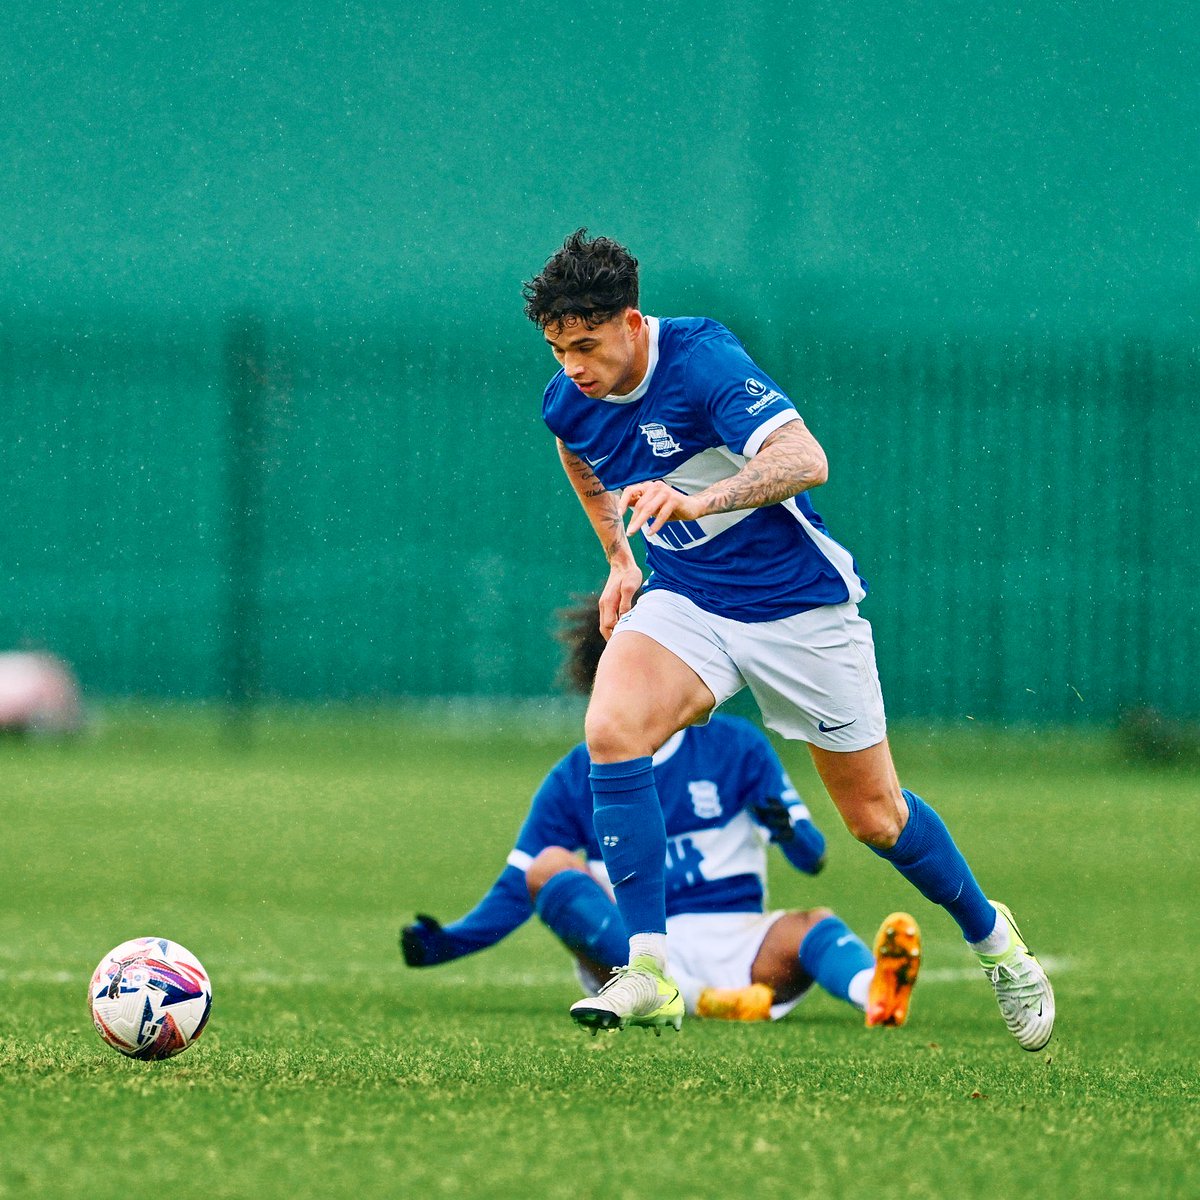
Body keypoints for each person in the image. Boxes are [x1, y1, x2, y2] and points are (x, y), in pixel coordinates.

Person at [521, 229, 1054, 1051]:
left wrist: (702, 501)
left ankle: (997, 943)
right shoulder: (570, 397)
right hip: (690, 598)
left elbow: (806, 459)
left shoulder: (701, 359)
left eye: (586, 346)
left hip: (796, 608)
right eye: (558, 350)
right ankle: (650, 967)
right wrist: (619, 558)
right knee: (612, 730)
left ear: (630, 321)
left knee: (876, 818)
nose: (573, 367)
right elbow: (576, 448)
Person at [401, 597, 922, 1031]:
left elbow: (812, 858)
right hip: (628, 950)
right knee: (549, 867)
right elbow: (521, 883)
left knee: (814, 927)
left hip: (736, 938)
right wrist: (449, 943)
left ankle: (873, 991)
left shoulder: (737, 747)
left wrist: (791, 833)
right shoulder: (576, 773)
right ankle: (688, 995)